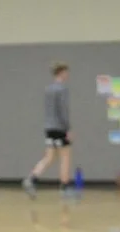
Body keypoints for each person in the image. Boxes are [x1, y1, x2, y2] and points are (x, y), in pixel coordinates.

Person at [22, 63, 72, 199]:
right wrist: (68, 129)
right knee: (65, 156)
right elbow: (63, 111)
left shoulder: (48, 90)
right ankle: (64, 187)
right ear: (61, 73)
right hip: (60, 127)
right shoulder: (62, 89)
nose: (67, 75)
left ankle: (31, 179)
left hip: (49, 128)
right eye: (66, 72)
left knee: (49, 157)